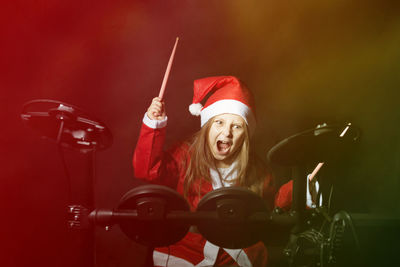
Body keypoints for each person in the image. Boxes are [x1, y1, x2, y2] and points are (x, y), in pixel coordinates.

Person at [133, 76, 297, 266]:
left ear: (245, 135)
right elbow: (147, 170)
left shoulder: (257, 170)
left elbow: (270, 209)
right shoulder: (185, 156)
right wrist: (154, 126)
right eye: (219, 123)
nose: (227, 133)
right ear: (207, 126)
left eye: (236, 126)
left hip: (236, 258)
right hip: (184, 255)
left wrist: (301, 189)